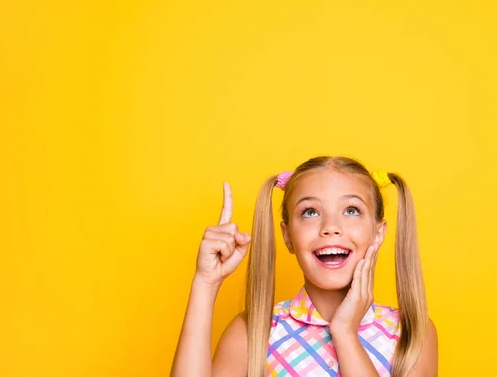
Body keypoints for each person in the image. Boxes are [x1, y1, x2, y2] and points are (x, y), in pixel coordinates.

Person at [171, 156, 438, 377]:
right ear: (287, 236)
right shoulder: (254, 332)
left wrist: (345, 333)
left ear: (378, 233)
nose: (331, 227)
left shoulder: (412, 334)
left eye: (351, 210)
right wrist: (206, 283)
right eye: (310, 212)